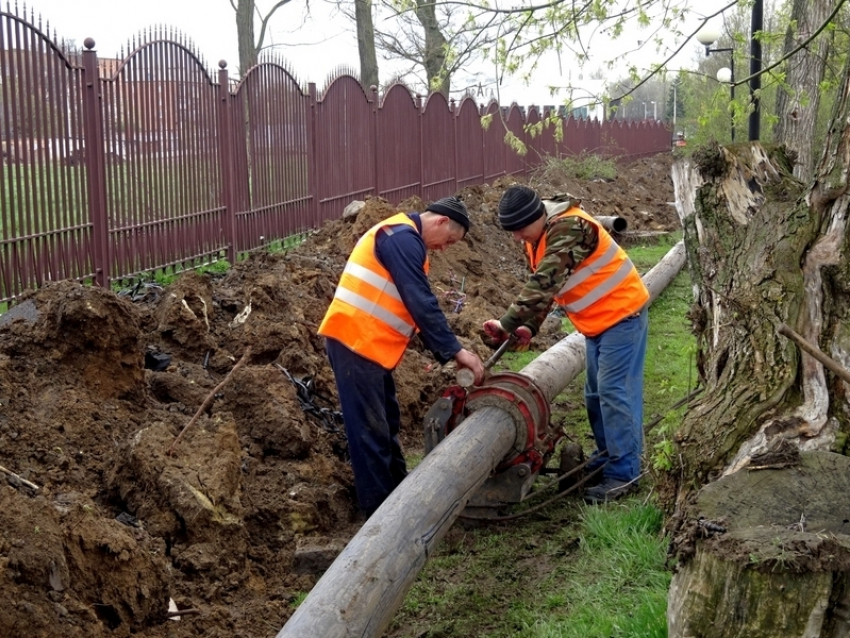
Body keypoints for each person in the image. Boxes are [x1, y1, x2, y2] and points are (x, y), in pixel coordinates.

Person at [319, 196, 486, 517]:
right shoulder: (400, 237)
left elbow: (411, 305)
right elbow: (420, 300)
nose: (445, 248)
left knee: (386, 422)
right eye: (448, 239)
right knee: (370, 430)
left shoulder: (406, 240)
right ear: (439, 221)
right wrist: (455, 351)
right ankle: (380, 513)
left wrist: (448, 350)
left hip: (370, 347)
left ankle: (397, 493)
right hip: (355, 342)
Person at [483, 185, 649, 504]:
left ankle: (624, 473)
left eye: (519, 230)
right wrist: (529, 327)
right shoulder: (537, 237)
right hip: (599, 322)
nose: (517, 237)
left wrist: (506, 324)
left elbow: (543, 281)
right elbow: (552, 287)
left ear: (536, 216)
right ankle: (608, 455)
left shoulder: (570, 228)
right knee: (595, 395)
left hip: (622, 314)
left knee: (615, 392)